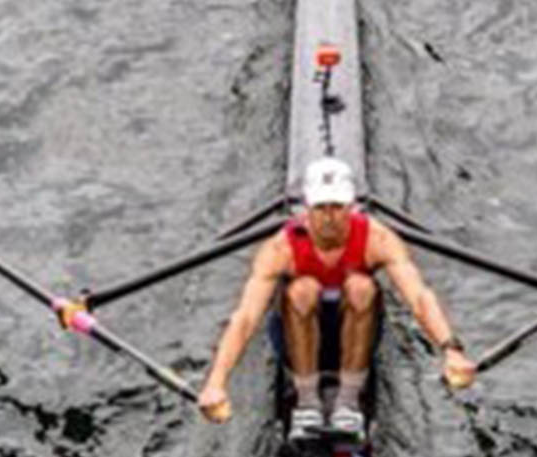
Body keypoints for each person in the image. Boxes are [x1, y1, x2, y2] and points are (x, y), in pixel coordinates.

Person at [198, 157, 476, 439]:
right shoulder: (280, 248)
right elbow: (245, 319)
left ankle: (349, 401)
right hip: (295, 334)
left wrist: (451, 348)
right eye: (320, 207)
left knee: (360, 286)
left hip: (358, 327)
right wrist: (216, 382)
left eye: (337, 207)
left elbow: (419, 297)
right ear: (306, 209)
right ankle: (306, 402)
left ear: (352, 207)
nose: (329, 216)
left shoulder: (377, 239)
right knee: (302, 289)